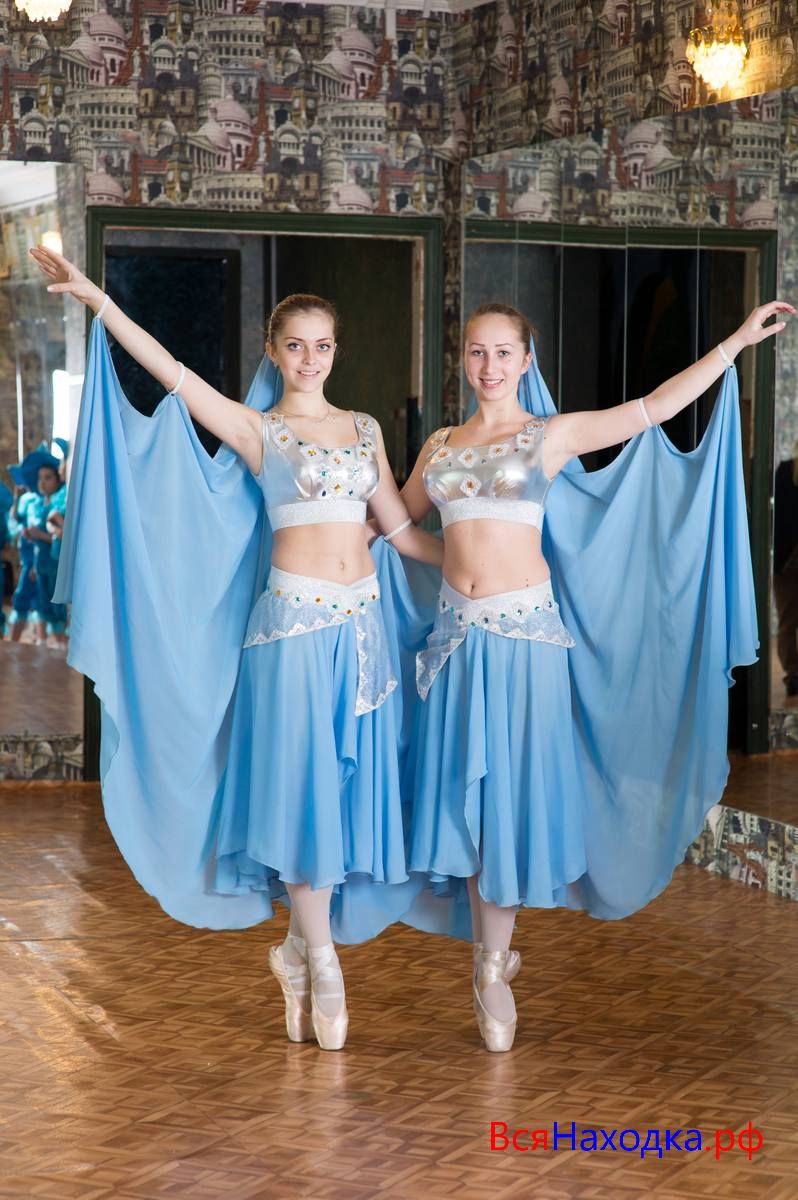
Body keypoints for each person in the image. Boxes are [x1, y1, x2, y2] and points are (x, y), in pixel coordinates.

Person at [30, 243, 443, 1052]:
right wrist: (97, 301)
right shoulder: (260, 430)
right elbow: (174, 375)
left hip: (362, 634)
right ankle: (323, 960)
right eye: (296, 345)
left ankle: (297, 948)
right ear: (273, 351)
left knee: (340, 800)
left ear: (336, 350)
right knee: (304, 793)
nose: (311, 359)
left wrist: (493, 567)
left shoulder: (364, 430)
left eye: (323, 345)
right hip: (290, 634)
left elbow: (402, 534)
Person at [394, 299, 792, 1052]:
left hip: (527, 644)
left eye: (503, 353)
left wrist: (736, 342)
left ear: (526, 360)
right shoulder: (439, 447)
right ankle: (488, 953)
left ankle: (491, 966)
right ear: (463, 359)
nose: (489, 366)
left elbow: (653, 409)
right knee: (468, 804)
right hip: (456, 645)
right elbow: (396, 524)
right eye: (477, 352)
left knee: (508, 801)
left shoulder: (551, 435)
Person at [773, 441, 798, 697]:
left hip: (785, 559)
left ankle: (793, 674)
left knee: (787, 621)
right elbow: (778, 519)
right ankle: (793, 674)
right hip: (787, 559)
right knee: (788, 622)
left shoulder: (785, 471)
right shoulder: (786, 471)